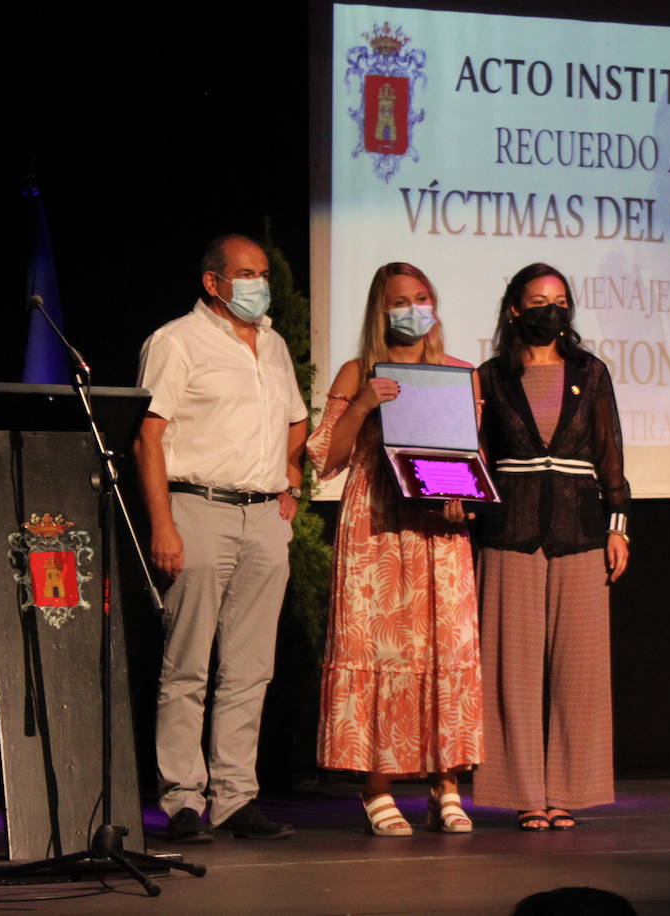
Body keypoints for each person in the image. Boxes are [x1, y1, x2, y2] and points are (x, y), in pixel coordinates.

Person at [133, 234, 307, 843]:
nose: (259, 283)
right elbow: (147, 436)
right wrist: (163, 524)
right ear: (213, 282)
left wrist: (289, 476)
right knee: (187, 666)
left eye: (263, 272)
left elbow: (296, 417)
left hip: (263, 518)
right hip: (198, 508)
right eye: (246, 273)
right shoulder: (176, 341)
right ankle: (183, 798)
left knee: (250, 668)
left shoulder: (275, 345)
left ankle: (236, 799)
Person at [307, 262, 482, 836]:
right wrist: (361, 403)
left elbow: (469, 456)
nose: (413, 309)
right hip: (376, 525)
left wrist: (464, 497)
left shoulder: (461, 373)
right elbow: (326, 459)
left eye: (422, 297)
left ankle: (446, 786)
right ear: (381, 312)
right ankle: (376, 788)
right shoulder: (360, 370)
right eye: (400, 301)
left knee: (442, 648)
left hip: (439, 531)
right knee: (378, 649)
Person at [473, 262, 630, 831]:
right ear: (515, 308)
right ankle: (523, 794)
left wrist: (619, 526)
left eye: (560, 299)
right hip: (509, 529)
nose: (551, 309)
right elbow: (477, 455)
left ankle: (569, 790)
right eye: (539, 300)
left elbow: (610, 453)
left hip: (580, 529)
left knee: (581, 668)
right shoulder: (490, 377)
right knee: (510, 668)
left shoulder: (591, 373)